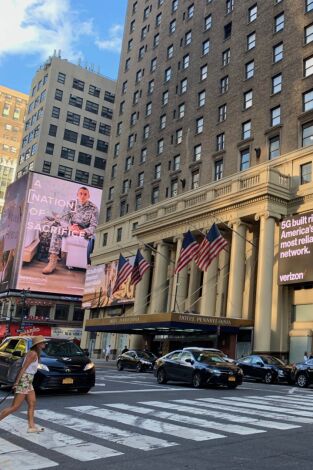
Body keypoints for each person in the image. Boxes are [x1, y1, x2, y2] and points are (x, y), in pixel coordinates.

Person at [42, 187, 99, 275]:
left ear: (89, 196)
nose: (82, 196)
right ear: (77, 195)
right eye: (80, 193)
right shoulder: (72, 204)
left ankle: (88, 263)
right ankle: (52, 261)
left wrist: (82, 231)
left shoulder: (93, 208)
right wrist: (70, 227)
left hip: (84, 232)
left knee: (92, 236)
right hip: (71, 228)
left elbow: (94, 226)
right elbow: (63, 220)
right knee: (58, 230)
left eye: (85, 194)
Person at [0, 336, 47, 433]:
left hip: (28, 381)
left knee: (32, 403)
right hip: (24, 380)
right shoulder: (33, 354)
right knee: (15, 406)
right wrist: (17, 382)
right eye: (43, 342)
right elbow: (23, 368)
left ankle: (31, 427)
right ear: (38, 344)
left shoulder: (35, 353)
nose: (44, 344)